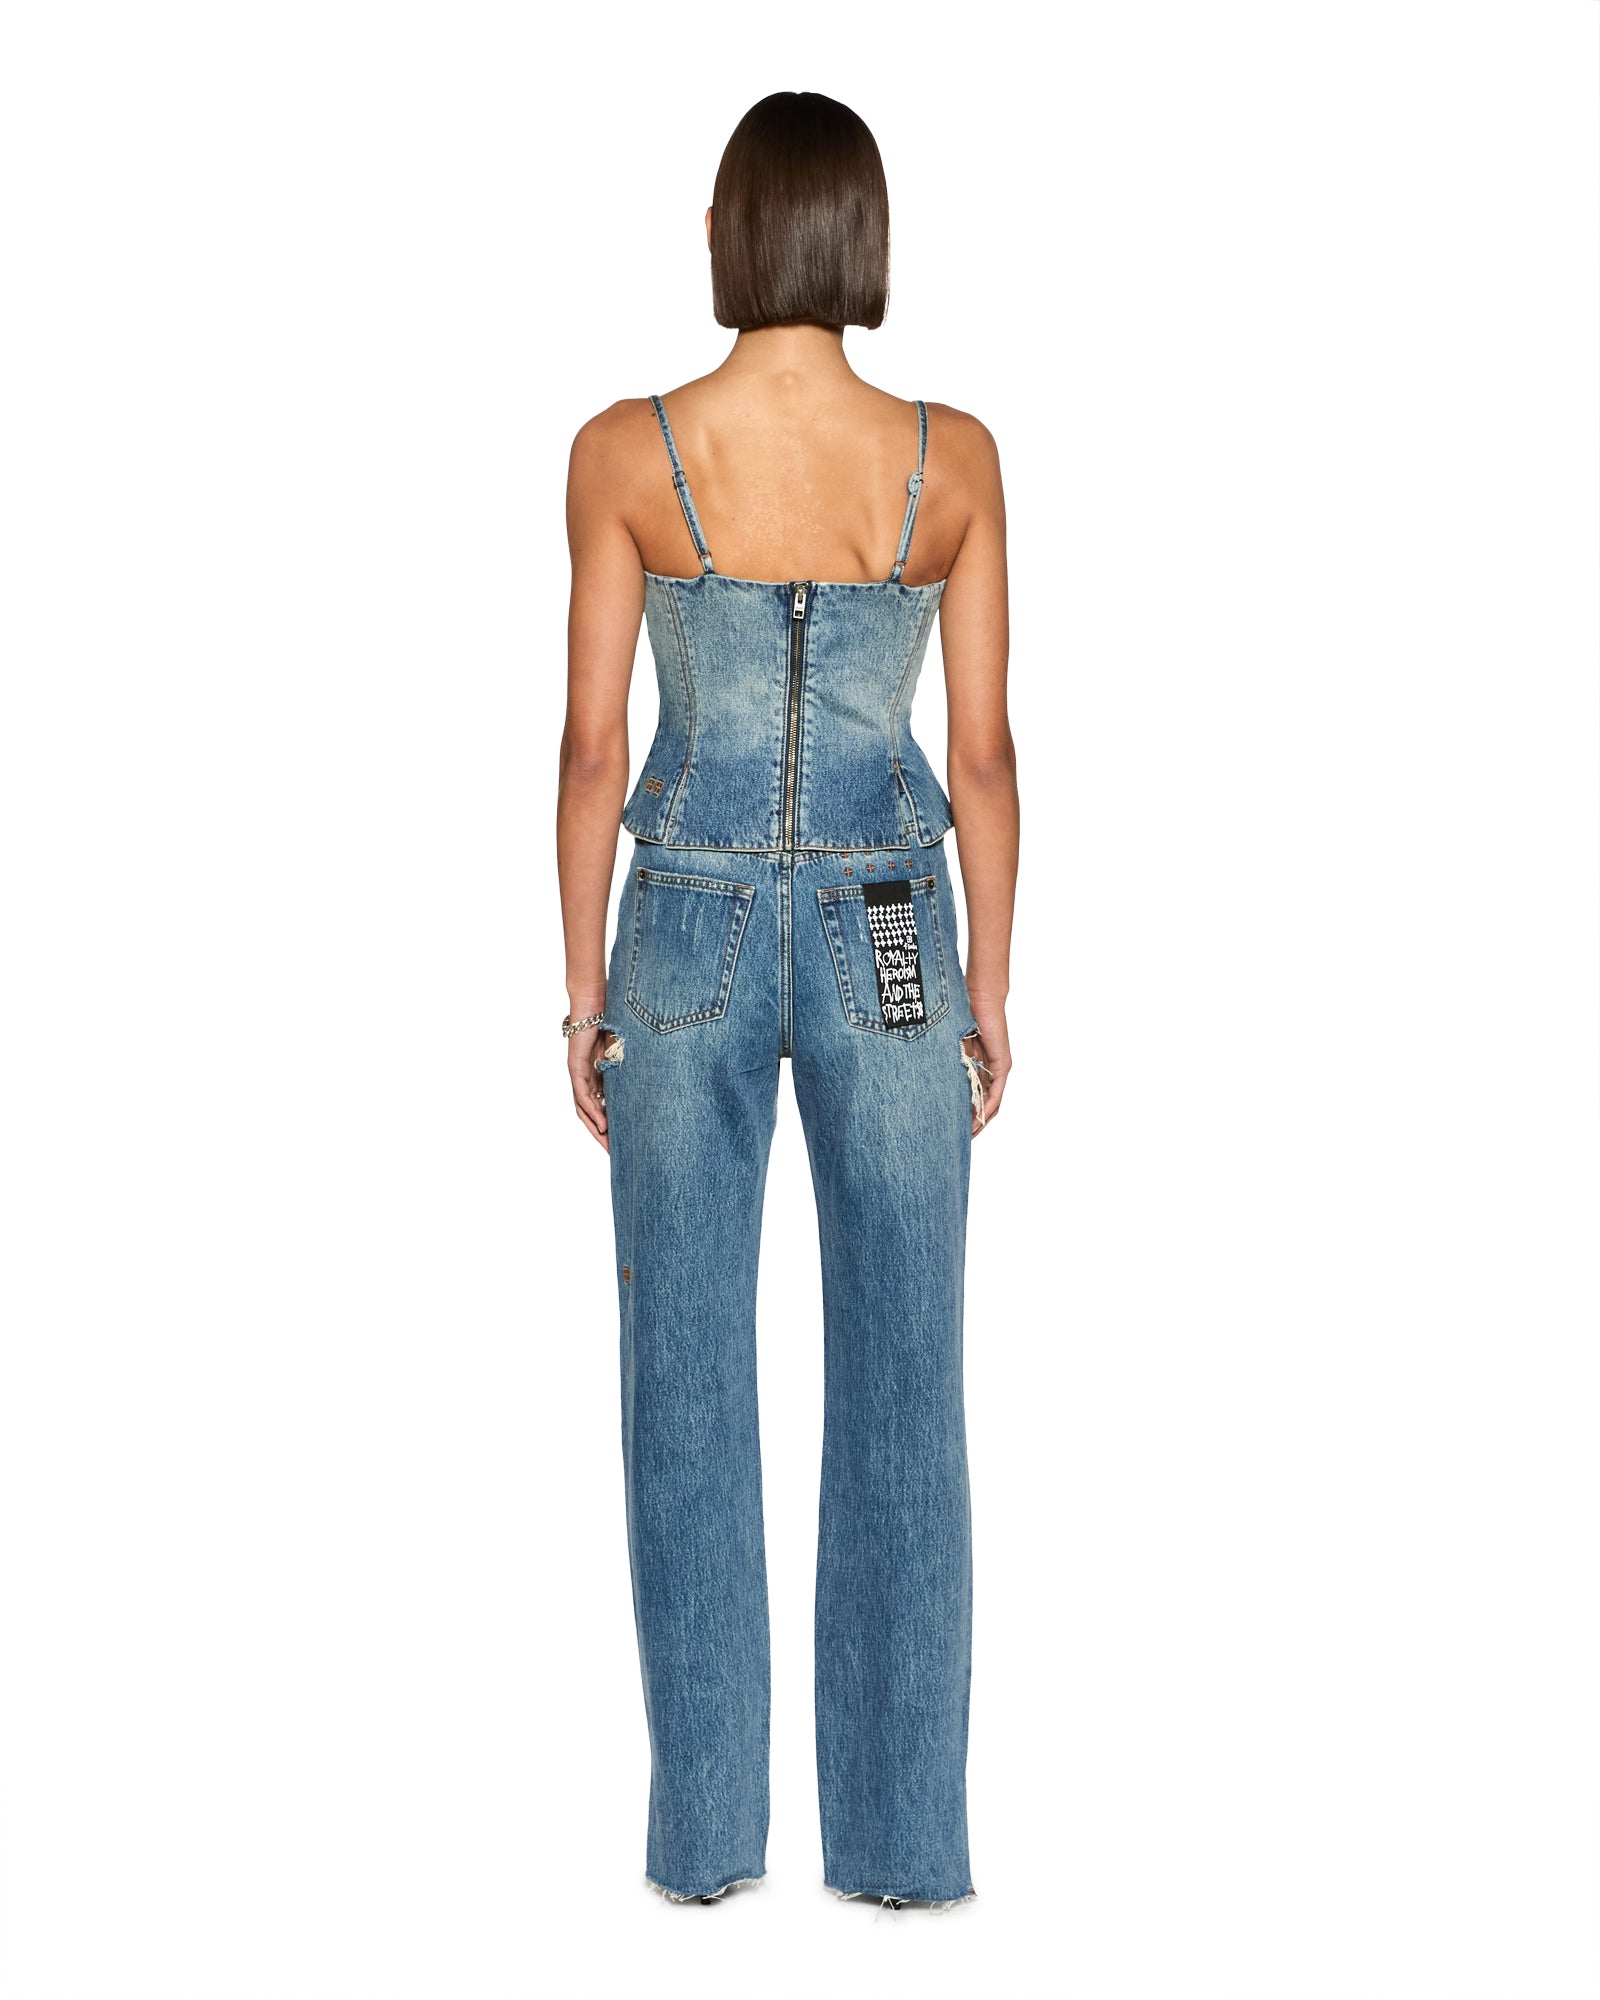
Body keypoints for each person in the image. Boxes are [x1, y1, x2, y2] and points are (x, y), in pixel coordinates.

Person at [557, 89, 1017, 1912]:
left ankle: (704, 1850)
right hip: (897, 925)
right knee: (909, 1379)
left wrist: (575, 990)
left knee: (681, 1379)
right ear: (865, 237)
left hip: (680, 929)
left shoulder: (625, 450)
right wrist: (995, 990)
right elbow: (982, 757)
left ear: (729, 232)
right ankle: (899, 1851)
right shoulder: (950, 459)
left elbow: (593, 748)